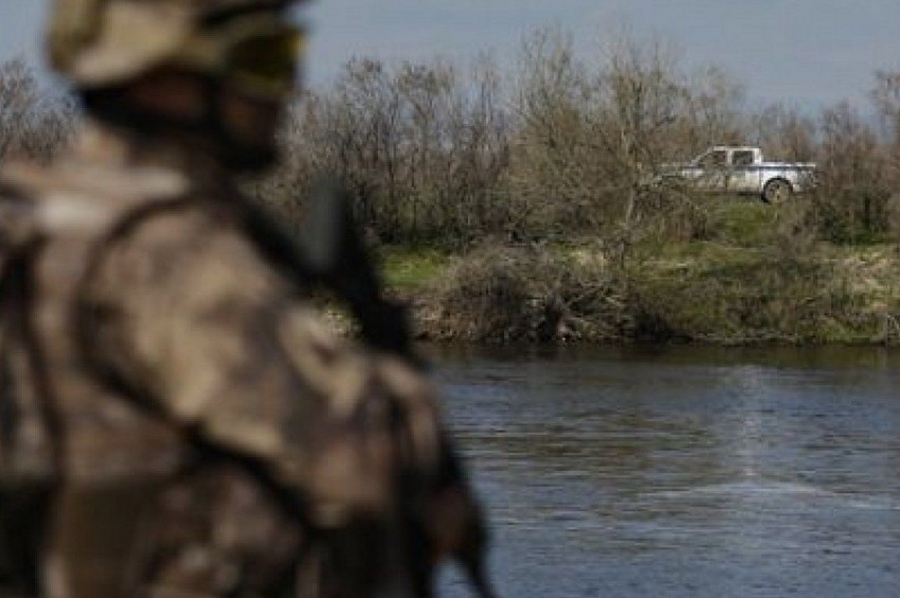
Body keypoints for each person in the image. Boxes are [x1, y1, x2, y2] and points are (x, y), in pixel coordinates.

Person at [0, 0, 490, 596]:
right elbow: (366, 461)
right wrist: (408, 407)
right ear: (164, 78)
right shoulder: (175, 254)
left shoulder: (37, 218)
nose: (287, 90)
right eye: (265, 60)